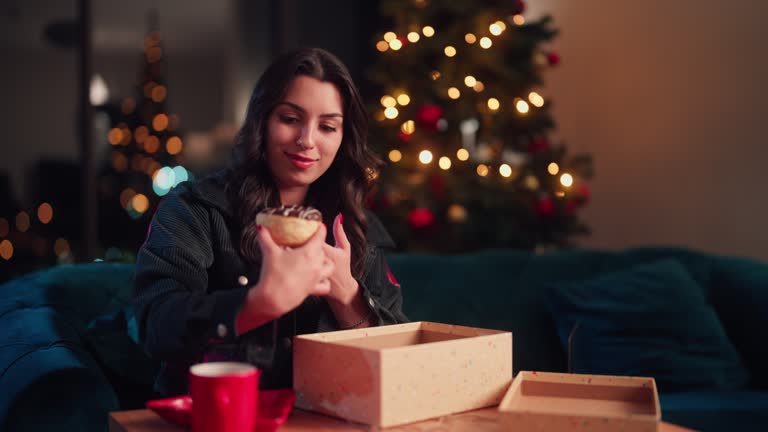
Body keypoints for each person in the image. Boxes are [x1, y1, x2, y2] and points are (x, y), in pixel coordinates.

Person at [132, 48, 409, 396]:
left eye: (327, 126)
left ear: (343, 138)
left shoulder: (354, 227)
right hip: (215, 413)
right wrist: (257, 305)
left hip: (323, 418)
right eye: (291, 119)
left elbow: (401, 360)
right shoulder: (195, 209)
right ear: (262, 120)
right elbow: (155, 327)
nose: (307, 140)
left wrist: (346, 295)